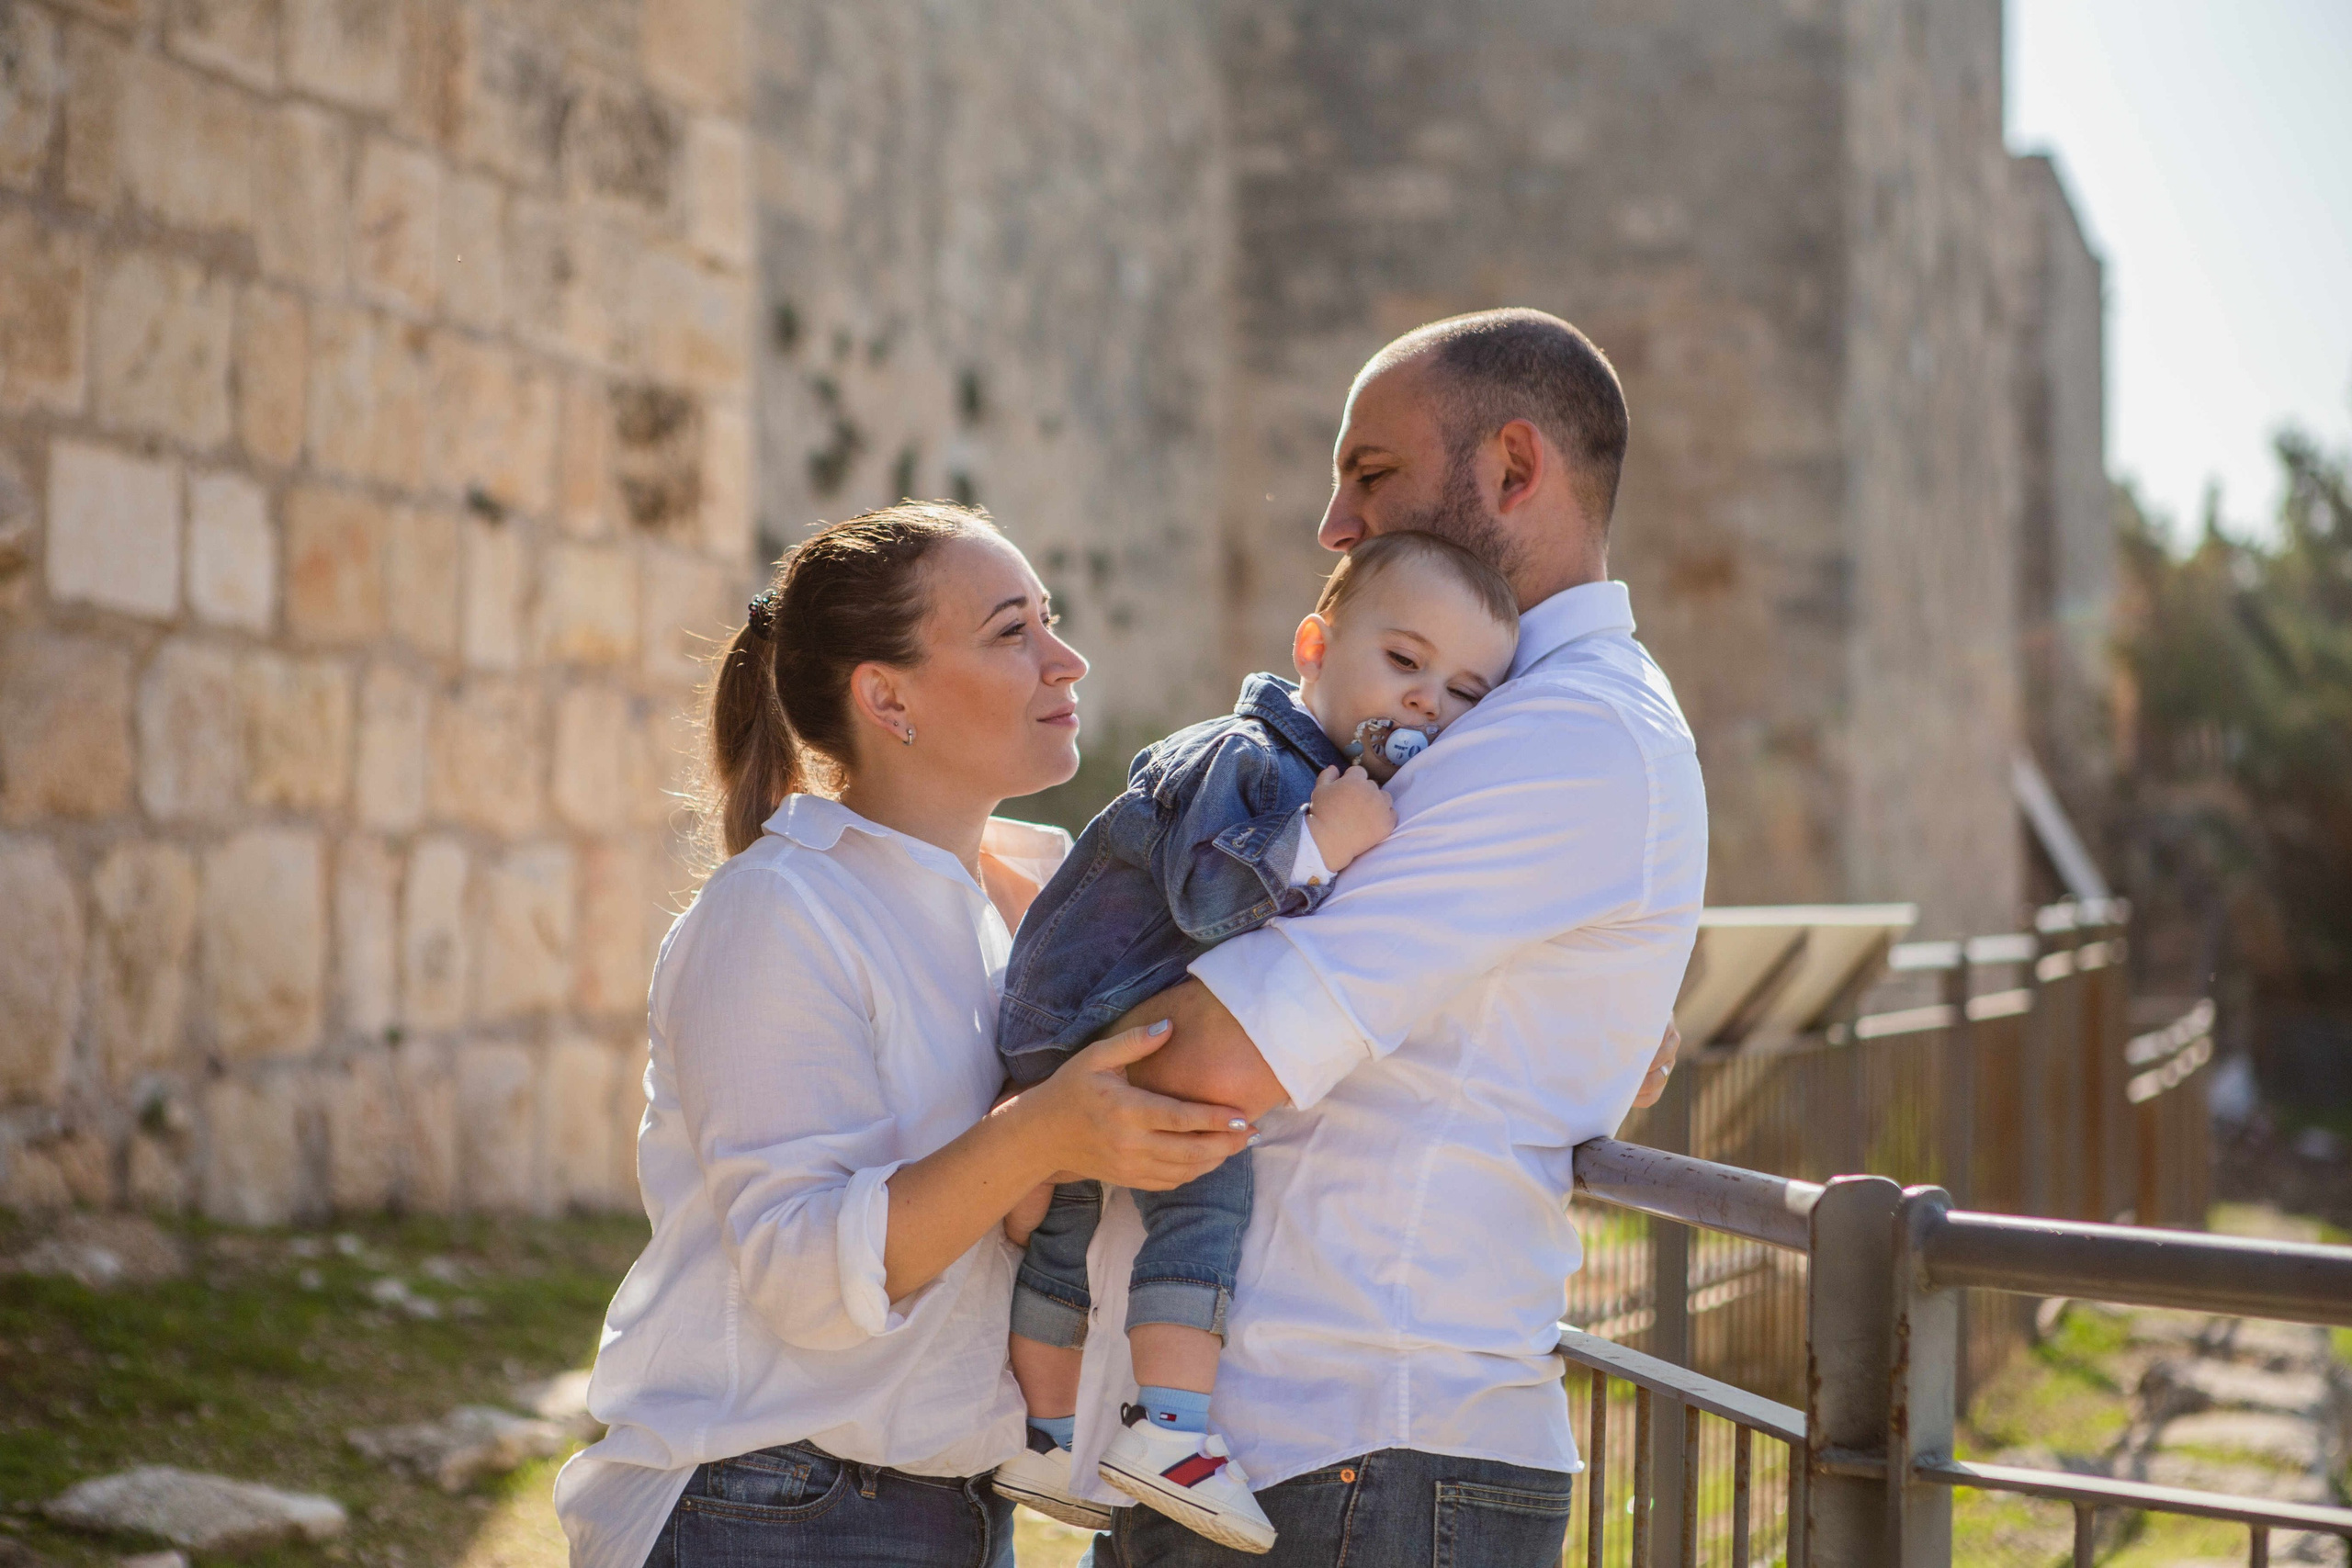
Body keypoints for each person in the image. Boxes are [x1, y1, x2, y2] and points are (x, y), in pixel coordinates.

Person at [1071, 308, 1710, 1568]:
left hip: (1362, 1462)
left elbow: (1210, 1053)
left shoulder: (1568, 736)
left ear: (1515, 470)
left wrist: (1050, 1051)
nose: (1334, 524)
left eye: (1371, 474)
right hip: (1300, 1451)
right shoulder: (1493, 721)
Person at [550, 502, 1253, 1568]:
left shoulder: (1014, 910)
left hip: (945, 1509)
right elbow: (800, 1274)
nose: (1066, 661)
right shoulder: (778, 911)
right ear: (886, 698)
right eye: (1011, 632)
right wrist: (1043, 1132)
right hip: (774, 1507)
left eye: (1049, 620)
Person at [989, 532, 1521, 1552]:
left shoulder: (1310, 769)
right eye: (1402, 662)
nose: (1424, 704)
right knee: (1211, 1181)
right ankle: (1169, 1432)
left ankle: (1047, 1439)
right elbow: (1208, 894)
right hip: (1095, 1013)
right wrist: (1324, 845)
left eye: (1461, 692)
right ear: (1313, 645)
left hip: (1076, 1019)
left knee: (1068, 1227)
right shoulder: (1253, 758)